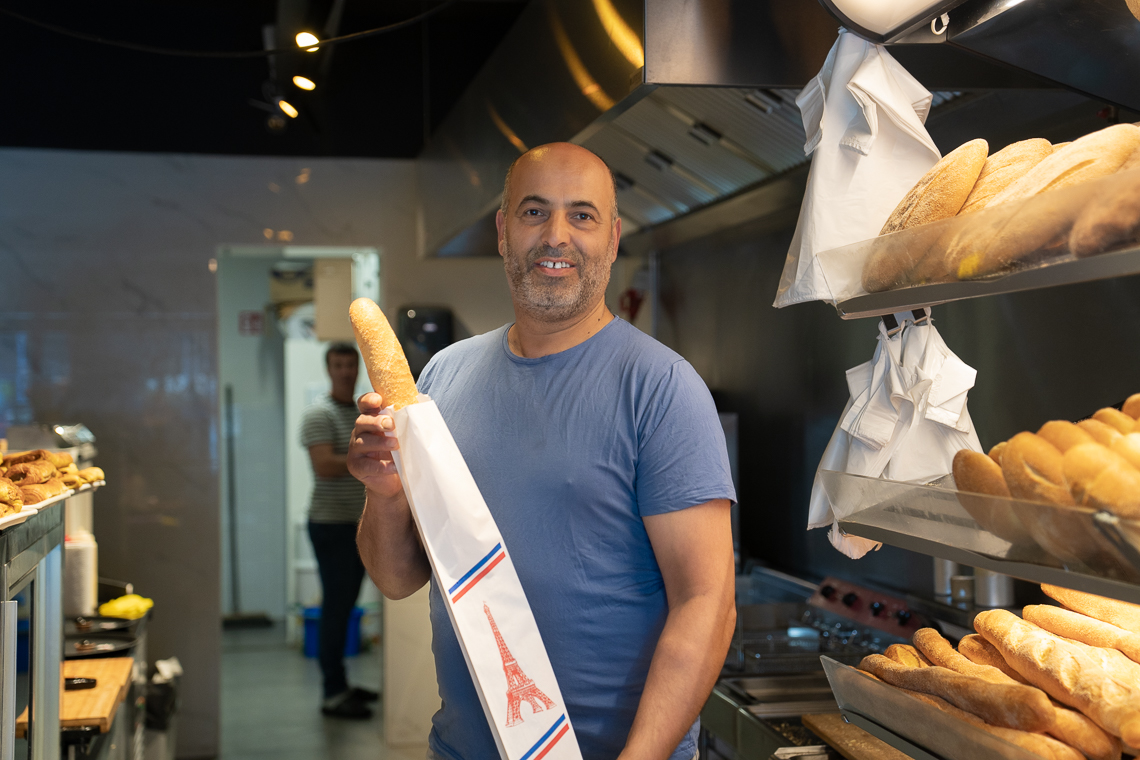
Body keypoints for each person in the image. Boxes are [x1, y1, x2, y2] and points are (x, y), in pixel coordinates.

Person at [349, 143, 736, 758]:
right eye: (534, 213)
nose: (556, 236)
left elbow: (707, 602)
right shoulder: (442, 379)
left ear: (612, 240)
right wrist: (385, 492)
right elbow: (396, 577)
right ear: (504, 232)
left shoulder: (661, 387)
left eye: (582, 216)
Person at [300, 342, 379, 719]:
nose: (346, 371)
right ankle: (332, 693)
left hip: (356, 525)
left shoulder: (362, 412)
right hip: (331, 525)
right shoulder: (320, 413)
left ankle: (342, 684)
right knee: (335, 608)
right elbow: (325, 465)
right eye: (338, 365)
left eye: (350, 364)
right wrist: (370, 457)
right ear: (328, 369)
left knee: (346, 608)